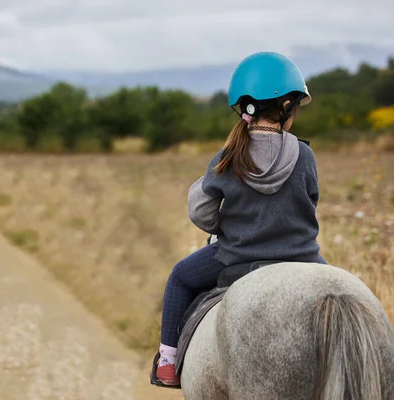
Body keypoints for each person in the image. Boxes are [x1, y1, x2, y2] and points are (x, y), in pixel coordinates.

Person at [150, 51, 327, 388]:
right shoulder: (305, 154)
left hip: (238, 258)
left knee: (179, 278)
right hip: (303, 256)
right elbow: (311, 200)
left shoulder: (230, 156)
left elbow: (199, 210)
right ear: (287, 107)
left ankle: (169, 362)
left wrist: (230, 228)